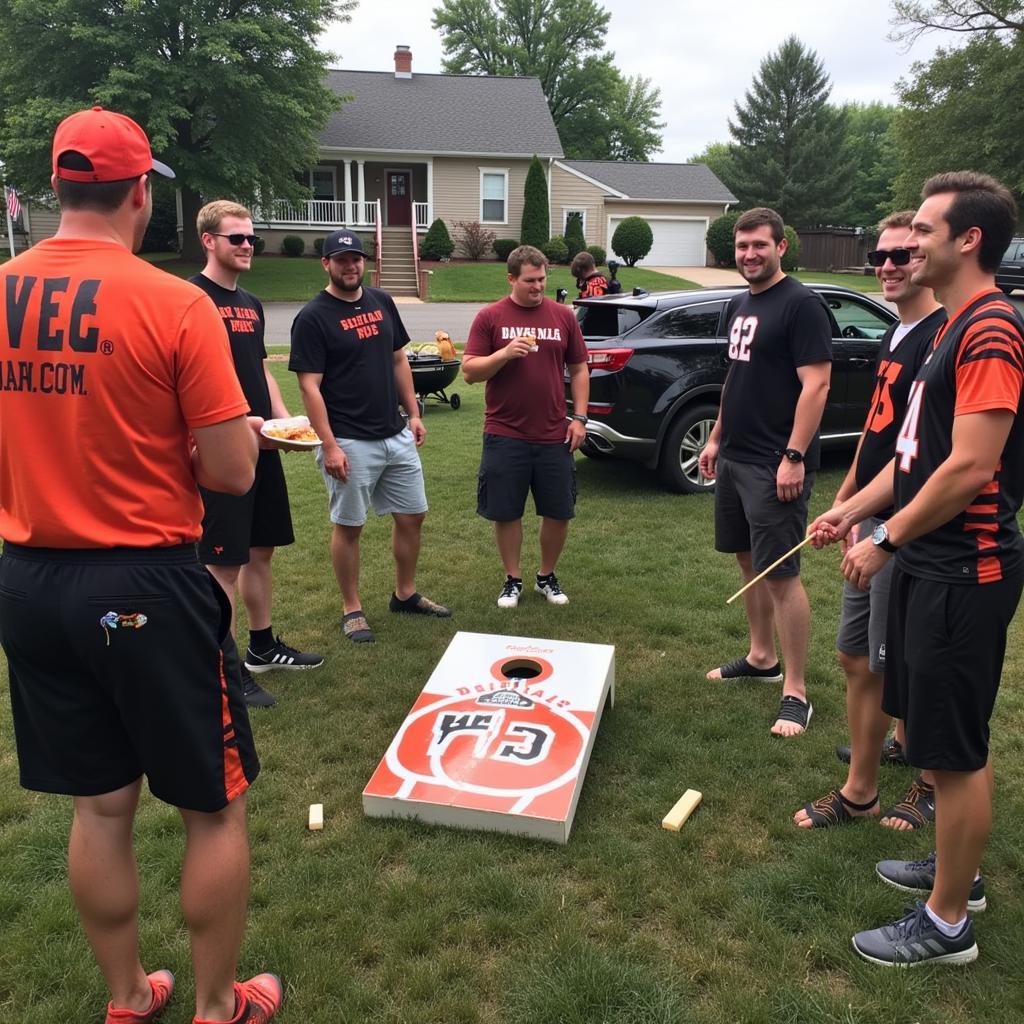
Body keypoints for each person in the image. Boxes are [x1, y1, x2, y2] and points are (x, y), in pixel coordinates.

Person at [0, 107, 281, 1023]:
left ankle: (126, 997)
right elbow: (234, 468)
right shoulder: (173, 301)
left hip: (31, 580)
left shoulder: (1, 288)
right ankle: (214, 1006)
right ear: (139, 194)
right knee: (213, 809)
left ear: (58, 187)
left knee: (100, 807)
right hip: (145, 580)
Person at [811, 171, 1024, 966]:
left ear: (968, 240)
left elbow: (970, 466)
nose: (909, 244)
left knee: (956, 751)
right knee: (937, 740)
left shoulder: (992, 328)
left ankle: (945, 927)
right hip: (933, 563)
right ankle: (955, 879)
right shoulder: (948, 330)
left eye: (926, 231)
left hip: (964, 569)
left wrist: (887, 538)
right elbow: (913, 459)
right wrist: (854, 507)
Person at [793, 211, 946, 828]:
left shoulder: (942, 338)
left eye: (902, 256)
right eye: (880, 255)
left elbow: (931, 459)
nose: (887, 266)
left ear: (927, 260)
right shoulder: (895, 334)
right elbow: (877, 432)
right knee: (858, 656)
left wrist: (879, 524)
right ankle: (888, 754)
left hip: (913, 529)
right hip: (874, 517)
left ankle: (907, 782)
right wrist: (848, 502)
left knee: (907, 661)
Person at [697, 207, 832, 737]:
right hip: (733, 457)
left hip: (775, 464)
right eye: (742, 245)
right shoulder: (738, 303)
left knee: (781, 575)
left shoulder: (801, 304)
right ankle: (760, 658)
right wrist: (714, 438)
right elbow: (737, 375)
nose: (750, 254)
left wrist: (793, 456)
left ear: (781, 247)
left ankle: (795, 690)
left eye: (760, 245)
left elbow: (816, 385)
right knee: (748, 560)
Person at [191, 201, 323, 709]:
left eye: (250, 238)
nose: (247, 245)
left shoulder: (249, 301)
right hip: (222, 448)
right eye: (235, 239)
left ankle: (262, 647)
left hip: (262, 441)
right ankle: (219, 669)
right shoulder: (190, 298)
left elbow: (259, 365)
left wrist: (286, 419)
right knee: (221, 563)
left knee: (261, 549)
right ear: (209, 241)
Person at [290, 230, 450, 643]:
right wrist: (329, 445)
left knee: (413, 515)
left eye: (357, 258)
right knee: (350, 525)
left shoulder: (381, 302)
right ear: (326, 264)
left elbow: (399, 357)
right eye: (341, 259)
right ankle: (352, 608)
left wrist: (413, 413)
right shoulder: (313, 317)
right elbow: (309, 386)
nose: (351, 266)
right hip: (349, 440)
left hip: (394, 432)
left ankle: (405, 593)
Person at [462, 244, 590, 607]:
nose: (538, 287)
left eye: (542, 280)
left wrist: (579, 418)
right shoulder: (490, 317)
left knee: (558, 511)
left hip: (554, 432)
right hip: (505, 432)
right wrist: (504, 354)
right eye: (530, 281)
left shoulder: (563, 316)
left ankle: (546, 576)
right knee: (506, 511)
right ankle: (512, 579)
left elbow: (579, 368)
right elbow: (469, 372)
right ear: (511, 278)